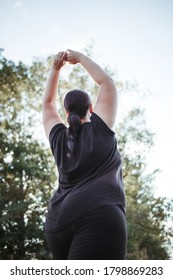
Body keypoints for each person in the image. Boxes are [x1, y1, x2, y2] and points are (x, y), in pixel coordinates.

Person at [42, 49, 127, 260]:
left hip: (57, 224)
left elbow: (47, 104)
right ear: (91, 107)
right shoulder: (100, 129)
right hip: (97, 216)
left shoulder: (58, 138)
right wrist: (80, 58)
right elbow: (106, 82)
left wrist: (55, 69)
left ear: (66, 112)